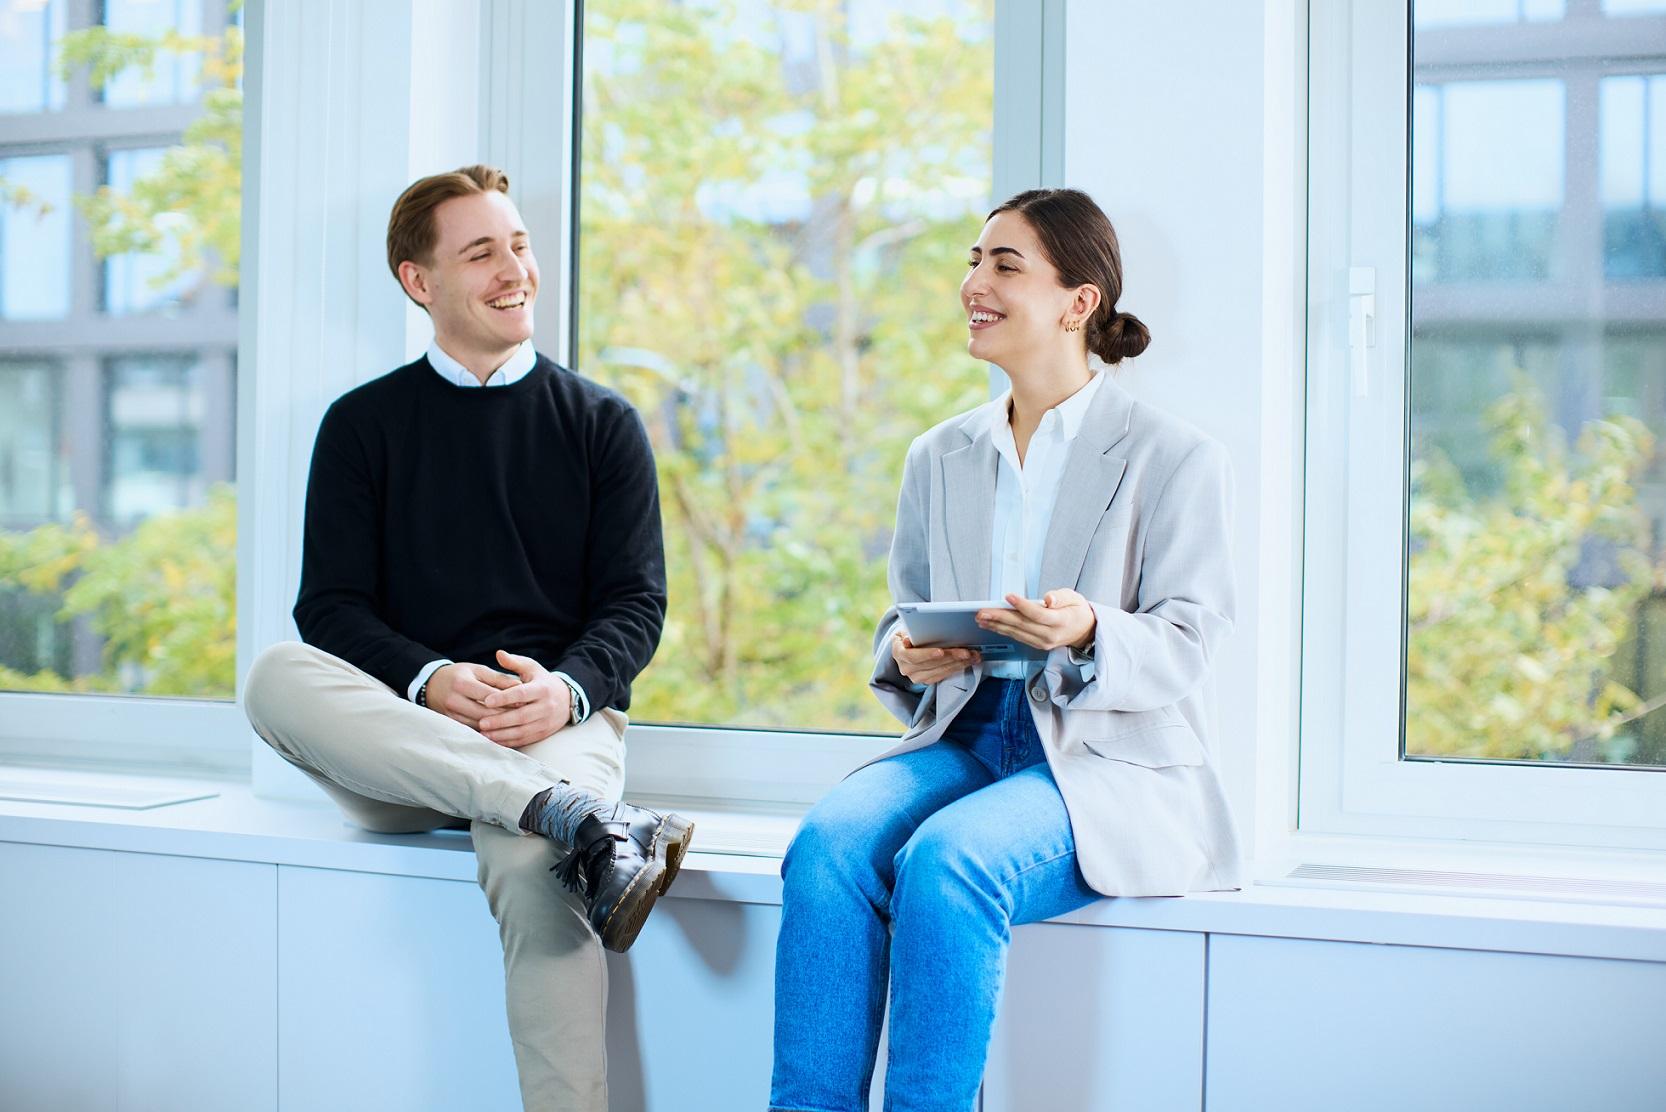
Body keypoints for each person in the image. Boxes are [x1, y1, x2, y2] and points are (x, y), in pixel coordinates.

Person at [768, 188, 1242, 1112]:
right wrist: (908, 654)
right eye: (973, 261)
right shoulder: (938, 456)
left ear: (1079, 303)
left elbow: (1191, 638)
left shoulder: (1174, 457)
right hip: (967, 734)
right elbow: (904, 616)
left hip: (1100, 759)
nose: (973, 283)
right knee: (825, 845)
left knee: (951, 863)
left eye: (1004, 265)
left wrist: (1092, 629)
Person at [242, 164, 692, 1112]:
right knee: (275, 677)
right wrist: (431, 679)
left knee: (539, 871)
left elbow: (634, 606)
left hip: (555, 728)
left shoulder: (603, 425)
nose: (514, 270)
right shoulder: (362, 427)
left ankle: (555, 819)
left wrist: (564, 691)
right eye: (481, 252)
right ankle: (571, 817)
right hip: (411, 752)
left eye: (519, 245)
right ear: (420, 282)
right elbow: (327, 608)